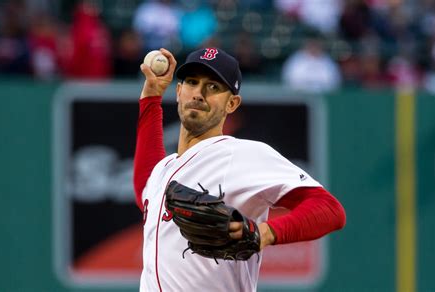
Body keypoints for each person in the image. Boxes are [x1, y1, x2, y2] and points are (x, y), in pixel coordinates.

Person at [133, 47, 346, 291]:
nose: (199, 93)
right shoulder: (164, 169)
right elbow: (145, 188)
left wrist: (264, 234)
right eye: (192, 82)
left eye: (213, 87)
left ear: (232, 103)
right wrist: (151, 97)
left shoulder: (242, 154)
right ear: (179, 91)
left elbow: (329, 210)